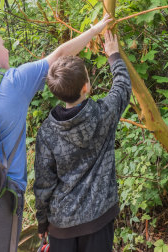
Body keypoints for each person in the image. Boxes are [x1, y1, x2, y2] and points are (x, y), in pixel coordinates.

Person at [0, 14, 113, 252]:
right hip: (0, 194)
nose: (6, 49)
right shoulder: (15, 81)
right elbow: (59, 55)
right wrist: (96, 29)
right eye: (2, 44)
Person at [33, 30, 132, 252]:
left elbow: (44, 183)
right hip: (98, 220)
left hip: (61, 224)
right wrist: (113, 55)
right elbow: (123, 86)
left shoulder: (47, 132)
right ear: (86, 86)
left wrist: (42, 220)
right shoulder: (104, 113)